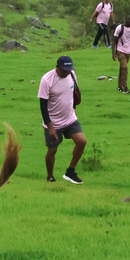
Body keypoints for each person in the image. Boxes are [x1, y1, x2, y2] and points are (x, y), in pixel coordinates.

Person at [38, 55, 86, 183]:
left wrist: (73, 110)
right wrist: (50, 126)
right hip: (54, 122)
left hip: (70, 118)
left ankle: (70, 172)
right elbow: (43, 105)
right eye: (64, 70)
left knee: (82, 141)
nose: (67, 73)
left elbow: (73, 93)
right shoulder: (47, 80)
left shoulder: (72, 74)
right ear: (57, 67)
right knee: (52, 150)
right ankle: (50, 177)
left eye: (69, 70)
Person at [110, 14, 130, 94]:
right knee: (125, 67)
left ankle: (119, 86)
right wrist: (113, 53)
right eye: (129, 19)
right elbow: (114, 41)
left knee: (122, 68)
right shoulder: (119, 28)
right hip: (120, 50)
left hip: (128, 52)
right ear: (125, 19)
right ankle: (125, 87)